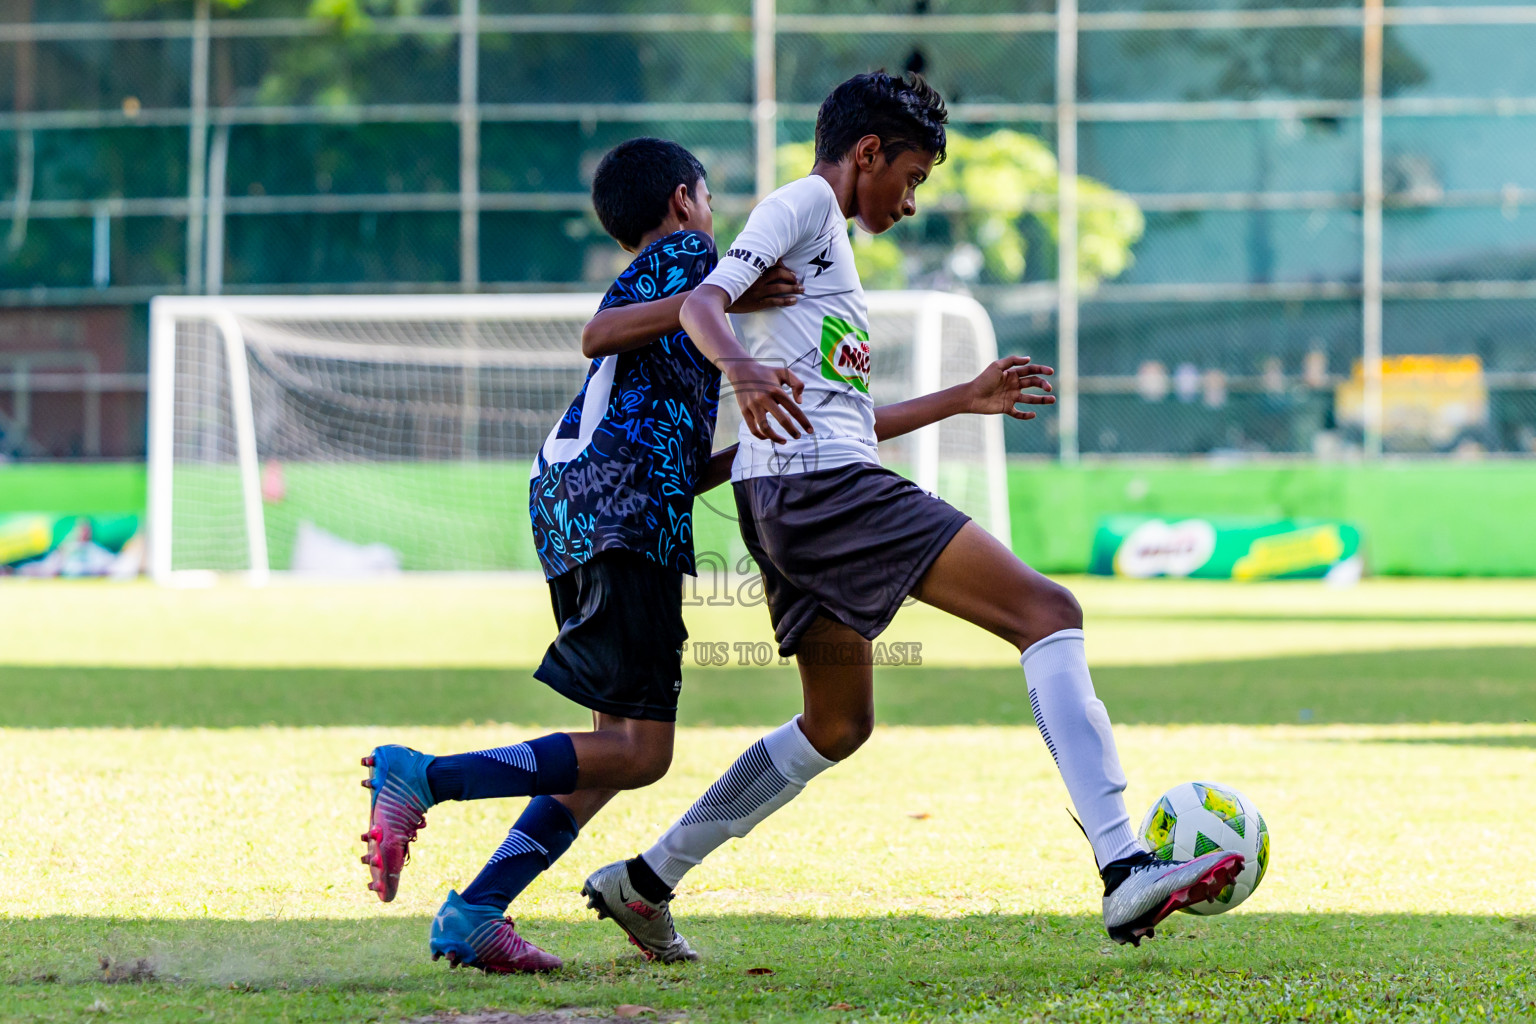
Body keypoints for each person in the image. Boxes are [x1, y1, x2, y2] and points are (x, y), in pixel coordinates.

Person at [580, 71, 1244, 960]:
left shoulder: (829, 251)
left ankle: (647, 878)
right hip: (820, 492)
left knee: (836, 725)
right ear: (867, 153)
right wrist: (737, 367)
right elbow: (703, 303)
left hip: (788, 497)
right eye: (914, 176)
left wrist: (959, 399)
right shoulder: (803, 204)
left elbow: (846, 414)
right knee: (1048, 613)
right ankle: (1124, 866)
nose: (913, 199)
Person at [357, 136, 801, 973]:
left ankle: (478, 911)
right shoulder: (693, 257)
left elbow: (665, 434)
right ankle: (425, 775)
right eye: (707, 199)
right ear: (682, 200)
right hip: (619, 508)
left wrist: (758, 445)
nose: (712, 217)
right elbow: (597, 334)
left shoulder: (680, 281)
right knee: (645, 752)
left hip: (585, 502)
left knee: (611, 752)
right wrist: (724, 312)